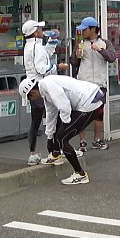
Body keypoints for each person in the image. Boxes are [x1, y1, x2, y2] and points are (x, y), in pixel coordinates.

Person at [18, 75, 105, 185]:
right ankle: (56, 155)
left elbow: (64, 107)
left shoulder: (49, 85)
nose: (32, 101)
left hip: (91, 101)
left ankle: (80, 174)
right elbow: (51, 114)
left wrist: (64, 128)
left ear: (33, 93)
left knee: (62, 138)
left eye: (29, 99)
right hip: (89, 98)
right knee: (59, 133)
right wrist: (49, 137)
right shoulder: (45, 90)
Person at [22, 20, 69, 165]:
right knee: (54, 118)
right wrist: (58, 67)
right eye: (40, 28)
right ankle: (56, 150)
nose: (42, 30)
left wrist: (53, 40)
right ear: (35, 32)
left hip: (32, 87)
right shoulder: (36, 47)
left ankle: (33, 154)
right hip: (41, 87)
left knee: (36, 121)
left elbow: (45, 53)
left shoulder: (31, 46)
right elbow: (41, 68)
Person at [71, 16, 116, 152]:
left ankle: (97, 140)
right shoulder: (80, 43)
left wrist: (100, 50)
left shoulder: (105, 43)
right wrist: (76, 55)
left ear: (93, 29)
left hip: (99, 85)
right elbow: (73, 63)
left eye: (85, 29)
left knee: (98, 114)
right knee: (82, 114)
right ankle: (82, 142)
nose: (82, 32)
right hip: (83, 84)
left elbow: (112, 58)